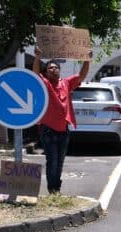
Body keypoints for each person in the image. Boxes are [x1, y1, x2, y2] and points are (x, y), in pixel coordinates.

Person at [32, 46, 91, 194]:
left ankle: (56, 188)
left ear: (60, 70)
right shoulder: (44, 84)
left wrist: (87, 60)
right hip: (48, 130)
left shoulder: (66, 83)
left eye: (56, 68)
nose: (53, 69)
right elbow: (34, 73)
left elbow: (81, 76)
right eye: (50, 68)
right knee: (52, 161)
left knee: (60, 161)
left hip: (64, 130)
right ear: (46, 72)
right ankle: (52, 189)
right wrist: (38, 58)